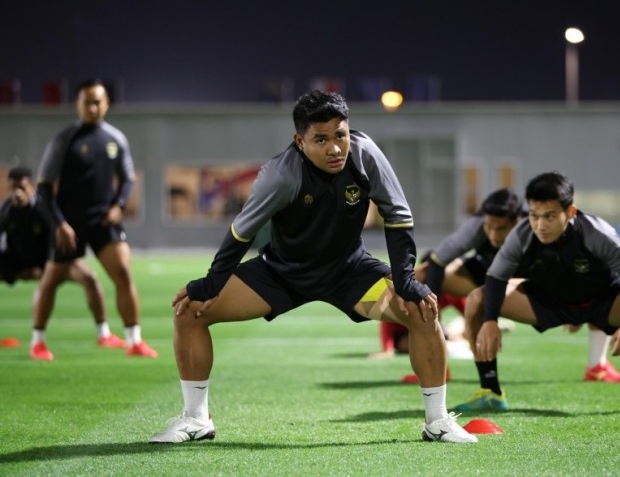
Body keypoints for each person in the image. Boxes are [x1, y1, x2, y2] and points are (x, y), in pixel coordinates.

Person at [149, 90, 476, 444]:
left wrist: (406, 280)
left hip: (349, 272)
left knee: (423, 311)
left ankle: (437, 422)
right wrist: (211, 285)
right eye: (321, 139)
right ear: (299, 141)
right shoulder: (280, 175)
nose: (335, 148)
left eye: (340, 135)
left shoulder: (365, 154)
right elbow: (239, 234)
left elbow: (397, 217)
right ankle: (196, 420)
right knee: (190, 312)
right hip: (282, 274)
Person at [455, 171, 620, 414]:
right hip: (546, 302)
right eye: (534, 216)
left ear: (570, 212)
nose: (540, 225)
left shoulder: (597, 233)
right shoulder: (522, 234)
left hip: (603, 302)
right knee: (478, 299)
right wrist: (490, 320)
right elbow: (496, 278)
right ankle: (490, 392)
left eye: (549, 216)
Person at [375, 189, 620, 384]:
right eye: (489, 227)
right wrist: (433, 314)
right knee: (422, 275)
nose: (494, 235)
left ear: (519, 221)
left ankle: (597, 366)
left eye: (501, 229)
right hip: (486, 276)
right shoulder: (478, 228)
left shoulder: (542, 231)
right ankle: (438, 367)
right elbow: (438, 262)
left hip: (535, 283)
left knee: (597, 285)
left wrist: (574, 304)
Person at [34, 79, 157, 359]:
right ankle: (37, 341)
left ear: (107, 104)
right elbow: (43, 188)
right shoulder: (64, 140)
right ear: (77, 104)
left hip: (104, 222)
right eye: (87, 101)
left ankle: (134, 341)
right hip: (69, 224)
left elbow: (127, 179)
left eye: (98, 101)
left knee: (124, 274)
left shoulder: (116, 139)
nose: (92, 107)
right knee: (51, 280)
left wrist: (119, 206)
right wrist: (59, 225)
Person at [1, 166, 126, 359]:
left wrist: (46, 267)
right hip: (17, 263)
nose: (17, 193)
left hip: (49, 262)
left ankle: (104, 334)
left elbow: (59, 237)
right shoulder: (6, 210)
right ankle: (37, 343)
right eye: (13, 188)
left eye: (22, 187)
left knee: (90, 279)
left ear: (32, 187)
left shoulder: (44, 210)